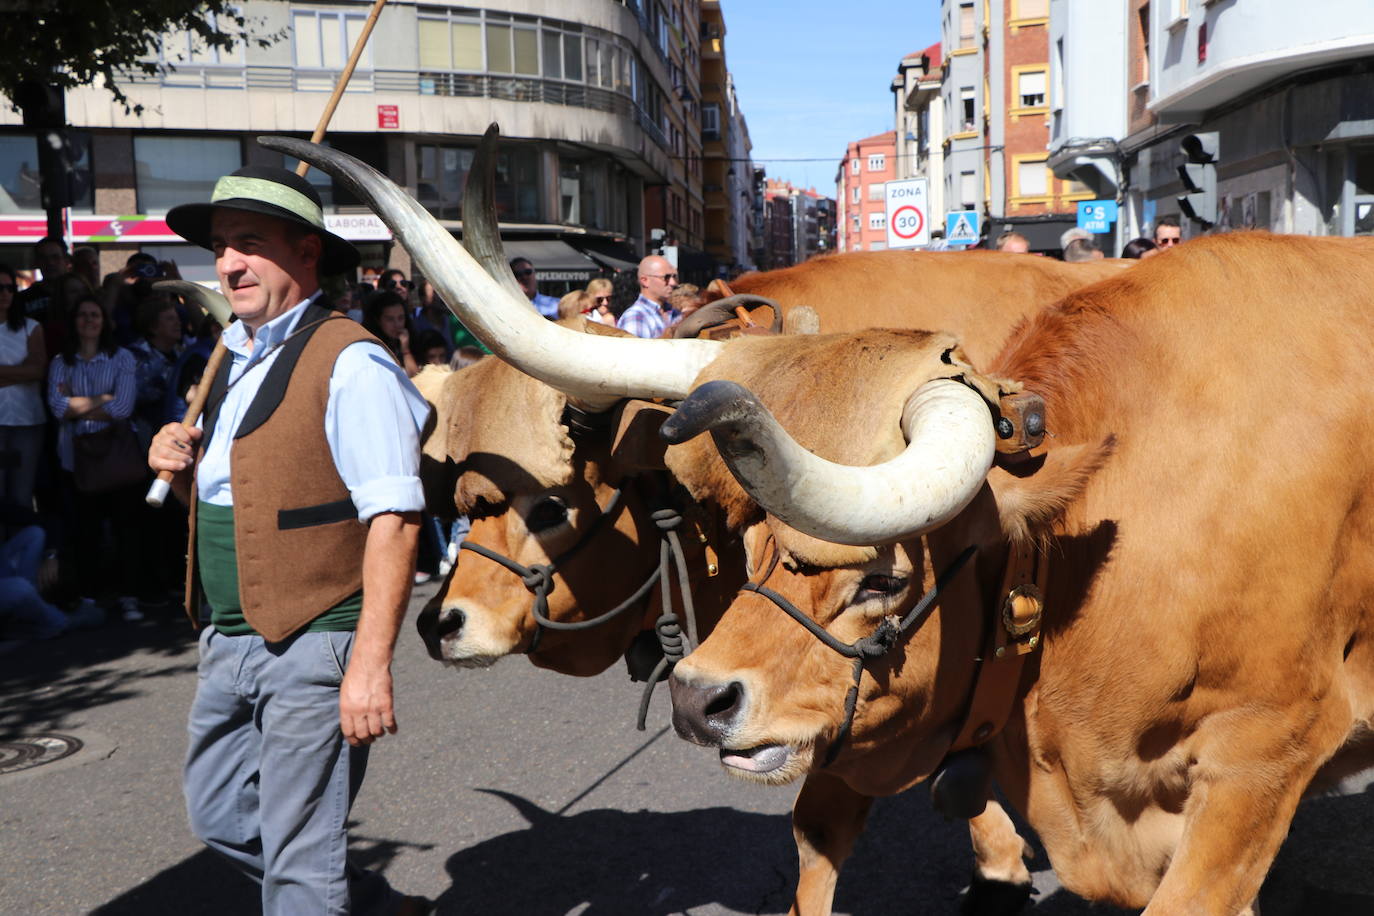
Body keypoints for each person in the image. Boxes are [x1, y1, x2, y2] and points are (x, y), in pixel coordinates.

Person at [150, 165, 432, 916]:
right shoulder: (235, 361)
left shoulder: (354, 361)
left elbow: (396, 521)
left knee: (300, 864)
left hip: (314, 640)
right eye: (220, 247)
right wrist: (178, 470)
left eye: (250, 243)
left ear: (308, 254)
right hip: (228, 636)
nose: (229, 264)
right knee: (219, 816)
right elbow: (244, 503)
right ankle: (368, 905)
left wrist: (369, 668)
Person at [47, 293, 143, 621]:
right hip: (77, 457)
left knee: (126, 528)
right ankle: (90, 595)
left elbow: (123, 408)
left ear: (105, 322)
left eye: (95, 315)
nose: (89, 321)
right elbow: (58, 409)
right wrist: (103, 396)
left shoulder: (123, 359)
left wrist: (79, 404)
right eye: (83, 315)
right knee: (84, 531)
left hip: (116, 455)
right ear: (74, 322)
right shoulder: (61, 362)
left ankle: (129, 594)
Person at [0, 264, 48, 519]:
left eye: (10, 287)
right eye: (0, 288)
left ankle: (21, 555)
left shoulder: (31, 326)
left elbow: (37, 370)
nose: (5, 293)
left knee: (21, 495)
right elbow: (27, 371)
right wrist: (19, 372)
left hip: (26, 422)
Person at [616, 255, 681, 339]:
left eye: (674, 277)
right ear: (645, 281)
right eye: (666, 277)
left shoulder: (675, 313)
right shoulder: (636, 317)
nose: (673, 283)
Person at [362, 290, 421, 378]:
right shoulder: (370, 348)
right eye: (390, 319)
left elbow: (417, 380)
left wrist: (406, 351)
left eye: (401, 318)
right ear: (378, 320)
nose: (397, 324)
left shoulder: (412, 340)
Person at [14, 235, 71, 324]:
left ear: (66, 261)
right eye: (43, 258)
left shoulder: (78, 294)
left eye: (55, 257)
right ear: (37, 262)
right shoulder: (22, 299)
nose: (50, 263)